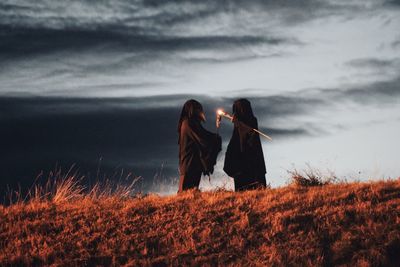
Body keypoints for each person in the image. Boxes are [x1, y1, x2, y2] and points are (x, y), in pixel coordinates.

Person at [178, 99, 222, 192]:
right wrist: (214, 139)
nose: (200, 111)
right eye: (198, 109)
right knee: (185, 192)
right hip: (189, 163)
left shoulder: (193, 123)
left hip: (194, 164)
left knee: (192, 191)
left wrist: (215, 138)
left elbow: (202, 134)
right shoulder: (188, 123)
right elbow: (201, 137)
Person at [223, 98, 267, 191]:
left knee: (252, 181)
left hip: (251, 157)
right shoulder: (238, 123)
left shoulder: (251, 120)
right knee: (242, 185)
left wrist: (238, 122)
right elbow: (236, 140)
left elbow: (248, 133)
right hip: (240, 159)